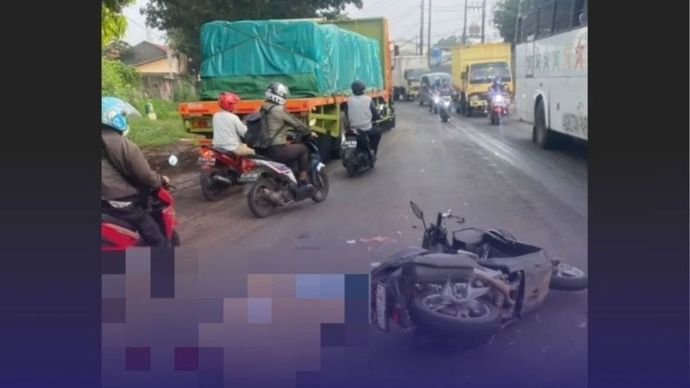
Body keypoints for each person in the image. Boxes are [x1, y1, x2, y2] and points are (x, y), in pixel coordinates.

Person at [101, 96, 170, 247]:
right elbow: (146, 176)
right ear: (114, 117)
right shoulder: (123, 145)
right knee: (156, 238)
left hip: (103, 203)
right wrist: (161, 180)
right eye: (123, 115)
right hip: (119, 201)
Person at [261, 82, 314, 189]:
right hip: (276, 150)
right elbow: (296, 123)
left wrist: (288, 134)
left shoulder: (262, 108)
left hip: (262, 150)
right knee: (302, 149)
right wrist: (308, 131)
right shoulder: (279, 110)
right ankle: (302, 180)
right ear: (279, 95)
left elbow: (271, 127)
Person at [345, 80, 382, 157]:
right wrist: (377, 117)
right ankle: (372, 151)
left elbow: (346, 114)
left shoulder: (348, 100)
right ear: (363, 89)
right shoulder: (368, 100)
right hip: (366, 128)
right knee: (378, 132)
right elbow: (375, 114)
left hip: (353, 129)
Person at [212, 92, 255, 156]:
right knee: (256, 151)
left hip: (217, 147)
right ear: (229, 104)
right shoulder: (233, 117)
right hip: (233, 148)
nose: (235, 106)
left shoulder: (215, 116)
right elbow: (244, 133)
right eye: (234, 104)